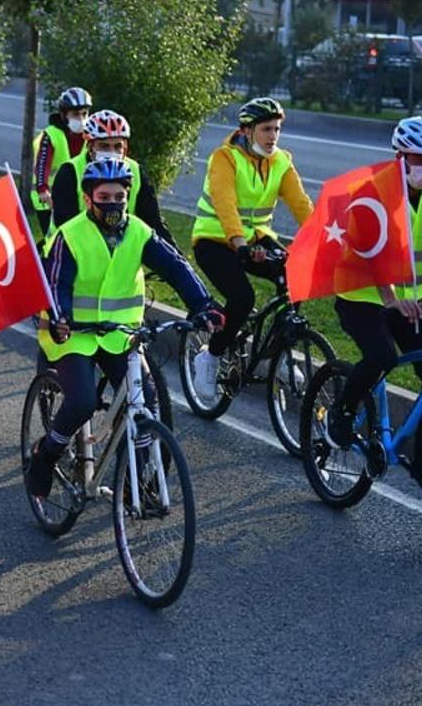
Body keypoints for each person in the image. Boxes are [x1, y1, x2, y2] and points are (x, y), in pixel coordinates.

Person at [26, 159, 224, 497]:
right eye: (104, 196)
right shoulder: (69, 235)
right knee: (82, 402)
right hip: (73, 334)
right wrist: (60, 317)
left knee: (143, 400)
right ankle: (45, 455)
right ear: (88, 199)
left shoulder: (139, 232)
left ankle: (136, 478)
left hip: (121, 335)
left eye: (120, 196)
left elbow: (176, 268)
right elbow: (56, 283)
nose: (113, 203)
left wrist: (203, 305)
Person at [325, 117, 422, 496]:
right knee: (381, 355)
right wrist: (392, 300)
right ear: (401, 157)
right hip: (362, 296)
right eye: (421, 159)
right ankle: (342, 414)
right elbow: (370, 253)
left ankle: (421, 462)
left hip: (413, 300)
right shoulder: (373, 193)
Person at [189, 97, 314, 398]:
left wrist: (323, 238)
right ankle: (210, 356)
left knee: (295, 278)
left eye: (277, 129)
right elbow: (225, 204)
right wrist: (240, 244)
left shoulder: (281, 161)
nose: (273, 136)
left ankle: (278, 355)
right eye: (266, 129)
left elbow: (301, 205)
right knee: (242, 298)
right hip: (214, 240)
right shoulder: (225, 158)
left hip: (255, 238)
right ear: (246, 130)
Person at [50, 109, 174, 246]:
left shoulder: (136, 171)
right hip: (68, 251)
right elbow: (65, 223)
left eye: (117, 146)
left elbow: (154, 223)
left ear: (125, 148)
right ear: (90, 147)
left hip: (118, 255)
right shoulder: (70, 171)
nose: (111, 152)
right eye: (104, 146)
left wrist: (177, 259)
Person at [31, 86, 91, 238]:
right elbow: (42, 164)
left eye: (84, 114)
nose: (81, 119)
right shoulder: (51, 135)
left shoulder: (90, 136)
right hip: (47, 200)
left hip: (76, 197)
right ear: (64, 115)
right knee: (54, 238)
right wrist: (43, 189)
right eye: (76, 114)